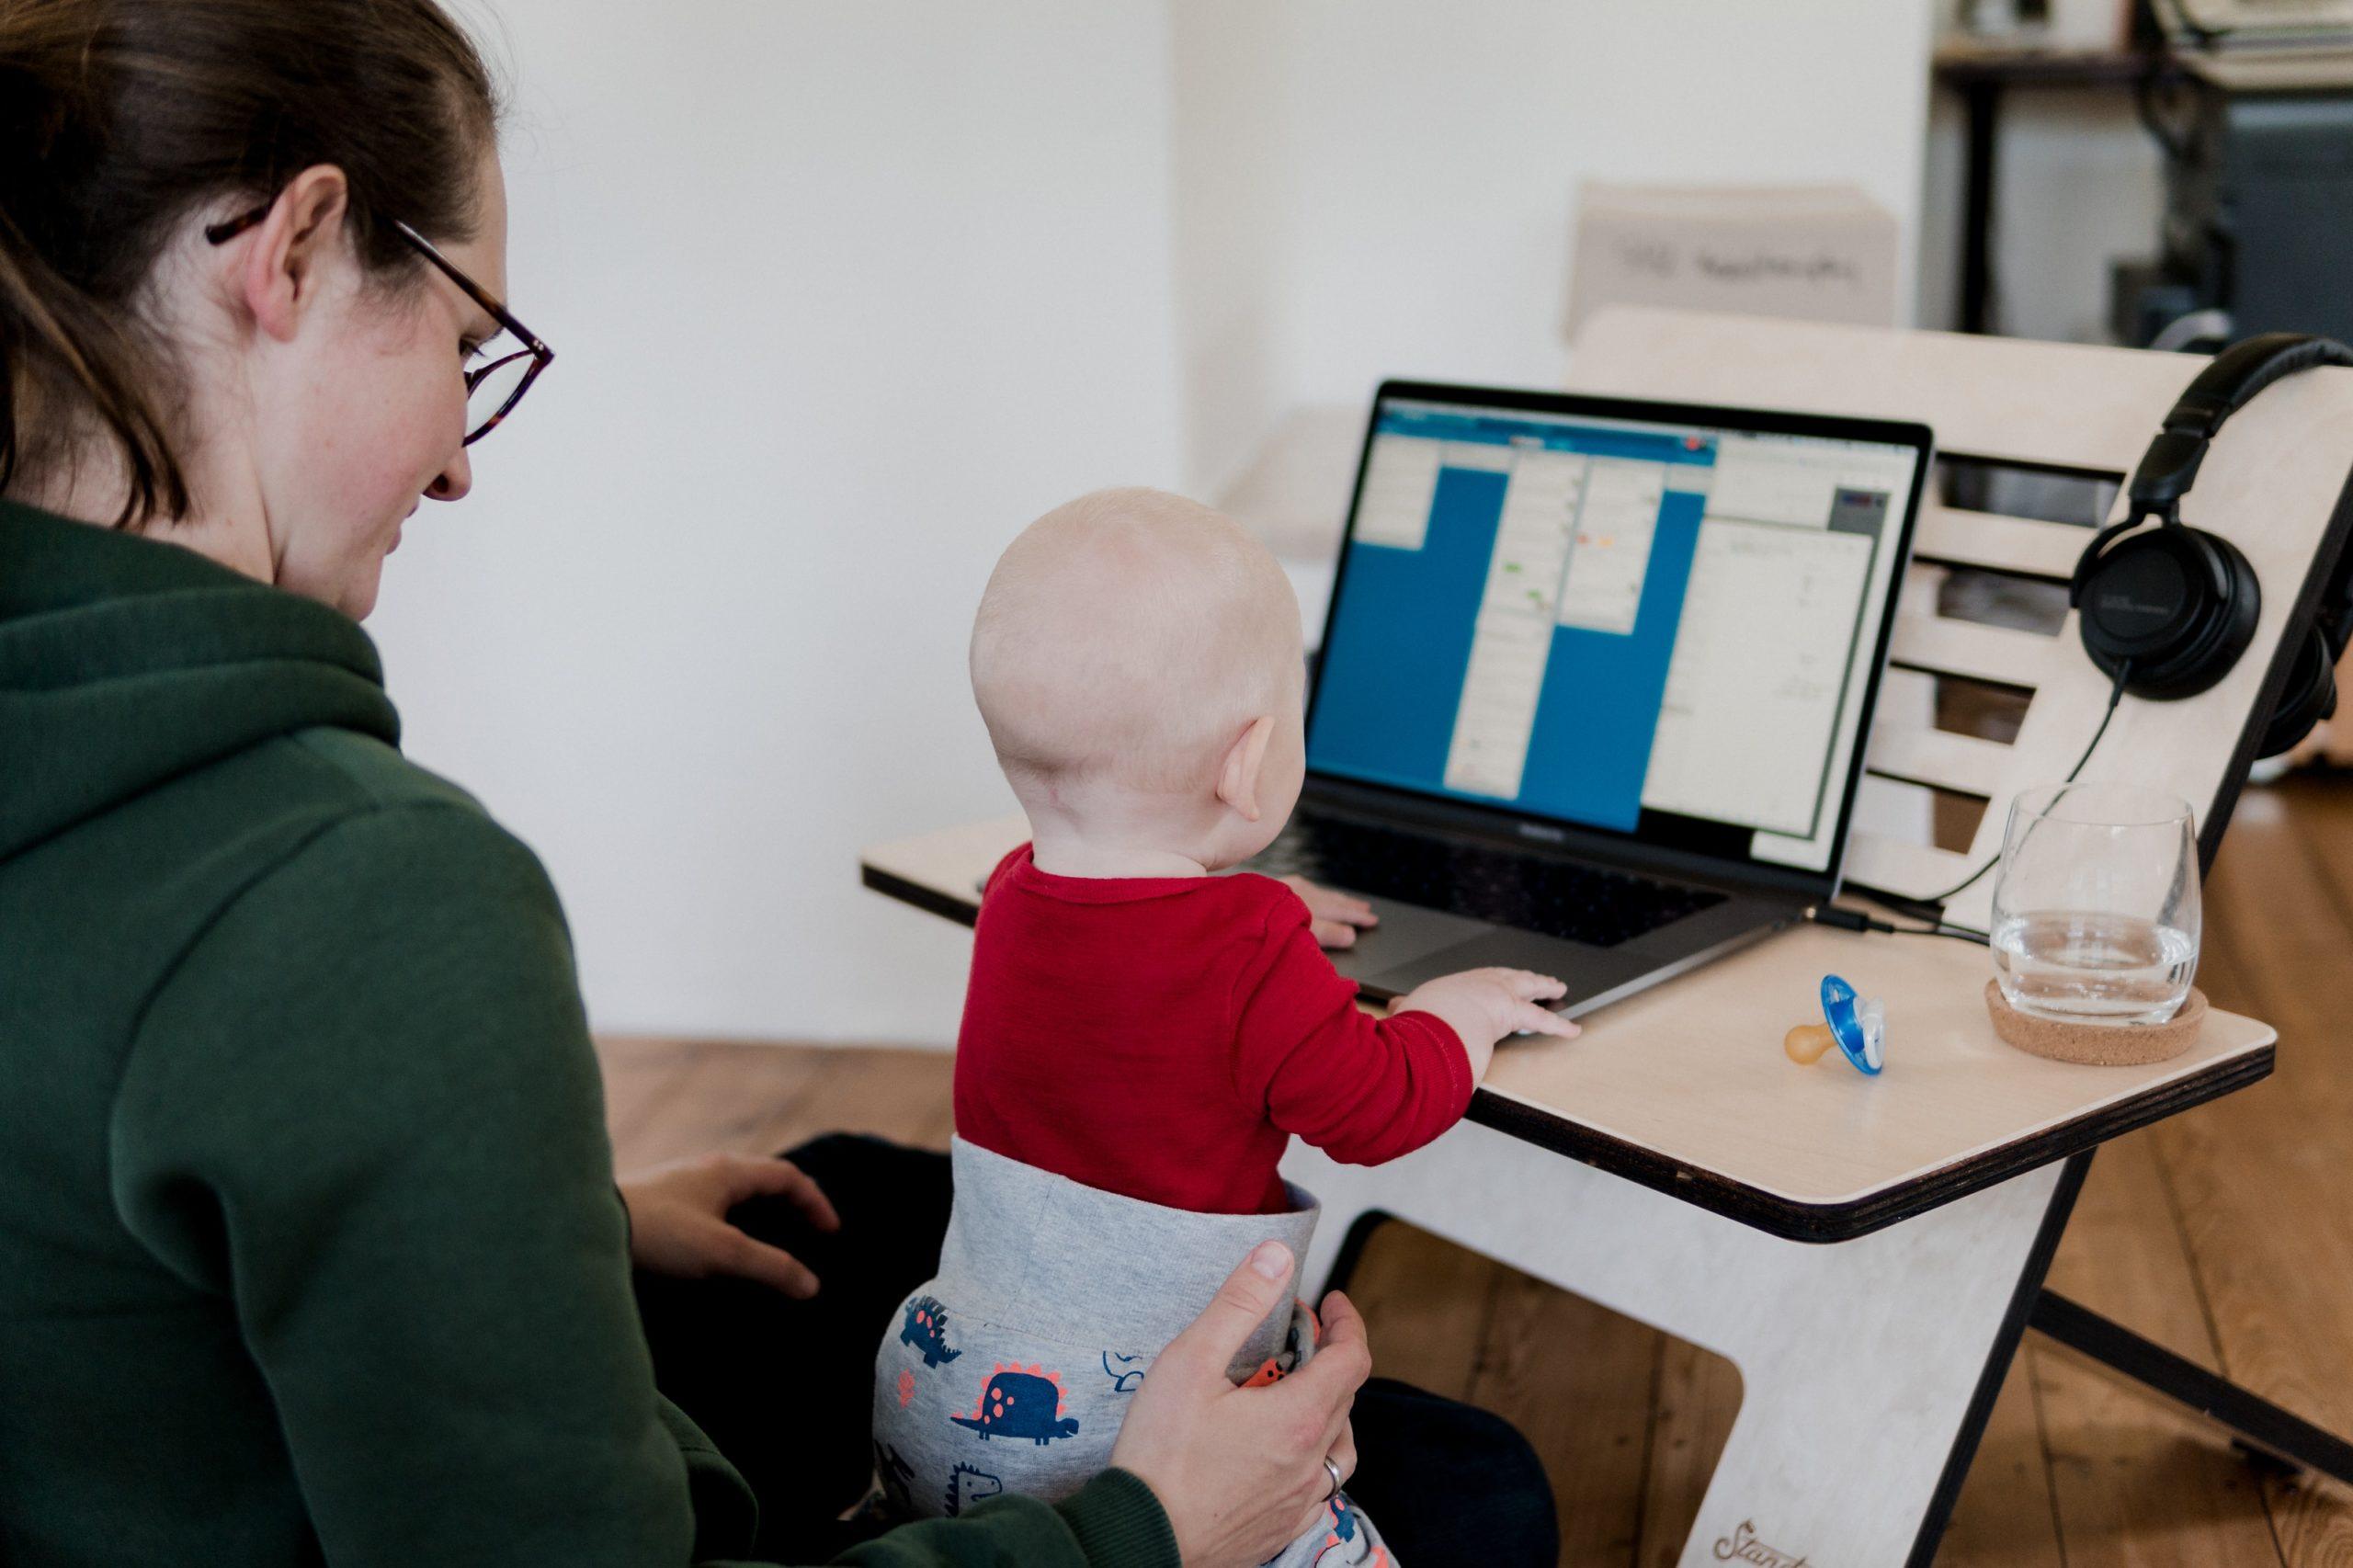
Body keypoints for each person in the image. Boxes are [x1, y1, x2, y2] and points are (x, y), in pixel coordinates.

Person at [0, 4, 1560, 1566]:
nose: (464, 459)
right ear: (296, 251)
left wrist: (560, 1240)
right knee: (1475, 1492)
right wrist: (1145, 1532)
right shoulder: (360, 892)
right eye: (470, 346)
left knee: (843, 1200)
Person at [866, 489, 1579, 1562]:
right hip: (1146, 1422)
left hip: (938, 1380)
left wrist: (1267, 918)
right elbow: (1375, 1108)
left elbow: (1125, 973)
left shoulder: (1011, 894)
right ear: (1249, 763)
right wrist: (1451, 1012)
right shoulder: (1245, 943)